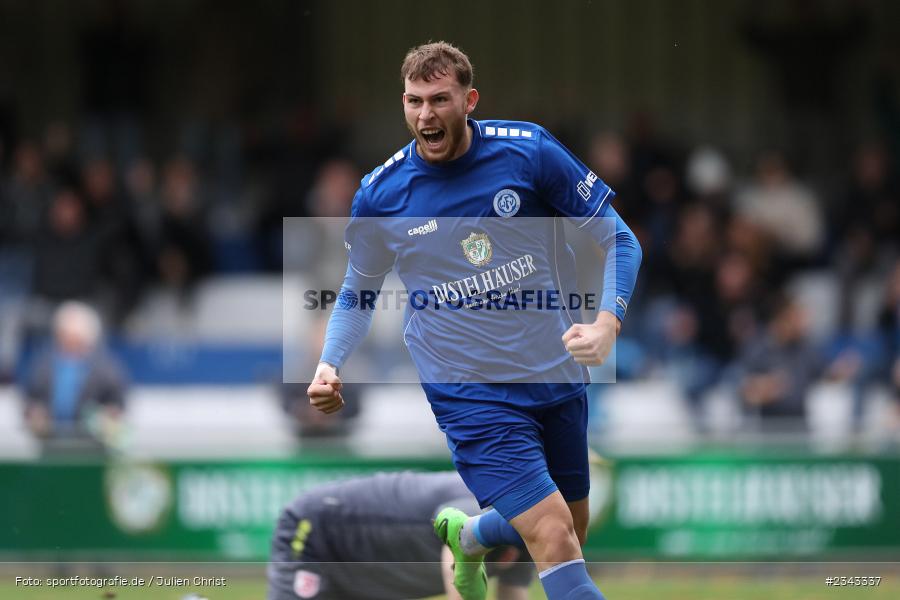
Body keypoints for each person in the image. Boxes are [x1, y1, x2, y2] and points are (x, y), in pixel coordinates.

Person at [307, 42, 641, 600]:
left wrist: (608, 322)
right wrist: (328, 363)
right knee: (554, 535)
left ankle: (470, 534)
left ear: (470, 100)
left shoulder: (529, 153)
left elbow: (619, 238)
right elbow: (356, 292)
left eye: (440, 100)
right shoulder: (382, 195)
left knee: (569, 533)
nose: (425, 115)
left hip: (553, 374)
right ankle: (478, 535)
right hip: (470, 393)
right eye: (414, 101)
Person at [267, 471, 532, 600]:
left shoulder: (530, 536)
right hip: (318, 530)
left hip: (368, 571)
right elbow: (456, 546)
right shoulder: (492, 501)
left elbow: (513, 594)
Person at [23, 301, 128, 453]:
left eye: (75, 338)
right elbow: (30, 399)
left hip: (93, 449)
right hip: (50, 447)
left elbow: (118, 405)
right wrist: (35, 415)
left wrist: (109, 417)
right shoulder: (43, 365)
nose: (69, 344)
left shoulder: (108, 369)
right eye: (64, 337)